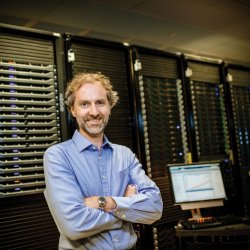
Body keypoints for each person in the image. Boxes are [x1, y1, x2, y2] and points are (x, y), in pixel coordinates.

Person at [43, 72, 163, 250]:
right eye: (84, 104)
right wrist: (126, 209)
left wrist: (107, 203)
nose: (94, 112)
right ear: (72, 110)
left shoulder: (125, 155)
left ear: (110, 106)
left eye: (100, 102)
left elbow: (154, 207)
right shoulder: (58, 156)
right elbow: (74, 225)